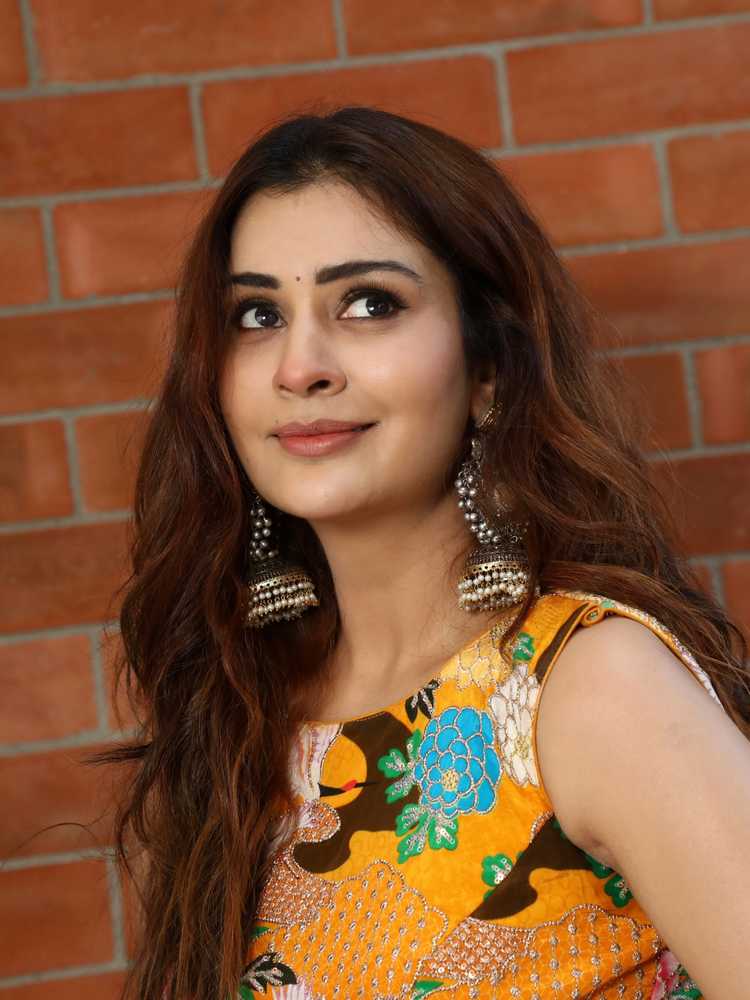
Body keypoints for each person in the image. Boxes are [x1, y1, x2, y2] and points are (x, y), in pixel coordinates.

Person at [97, 105, 750, 1000]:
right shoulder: (242, 713)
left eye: (369, 304)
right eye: (257, 315)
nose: (300, 366)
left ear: (488, 369)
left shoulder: (588, 687)